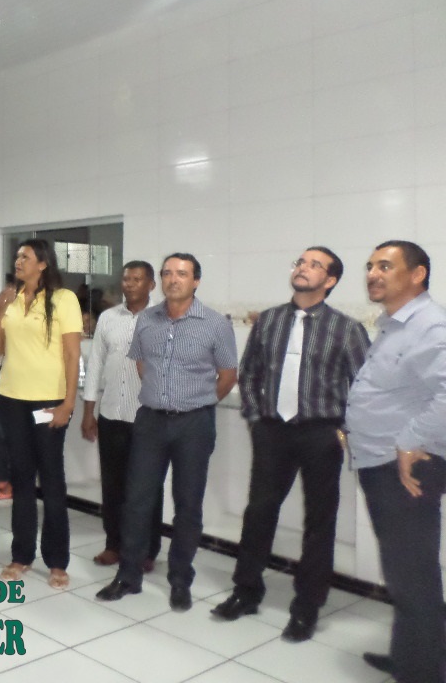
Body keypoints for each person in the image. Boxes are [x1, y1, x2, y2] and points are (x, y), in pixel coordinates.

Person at [211, 247, 369, 641]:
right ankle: (246, 591)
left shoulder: (347, 329)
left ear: (330, 280)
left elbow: (364, 387)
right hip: (273, 431)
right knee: (259, 512)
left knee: (319, 521)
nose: (303, 268)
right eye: (301, 262)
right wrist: (255, 419)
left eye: (315, 265)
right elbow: (250, 374)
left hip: (321, 433)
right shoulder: (270, 320)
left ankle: (307, 606)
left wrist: (344, 429)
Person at [97, 252, 237, 611]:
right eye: (168, 273)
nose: (173, 279)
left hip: (194, 424)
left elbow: (227, 376)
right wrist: (162, 395)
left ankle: (179, 580)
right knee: (137, 500)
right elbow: (142, 364)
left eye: (182, 273)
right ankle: (128, 576)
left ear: (196, 280)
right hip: (151, 421)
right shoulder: (147, 320)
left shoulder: (215, 324)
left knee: (187, 505)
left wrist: (198, 402)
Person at [346, 240, 446, 683]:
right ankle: (411, 656)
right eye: (370, 266)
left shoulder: (430, 325)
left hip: (405, 468)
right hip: (380, 461)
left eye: (385, 266)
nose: (373, 274)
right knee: (405, 570)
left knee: (412, 573)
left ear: (418, 274)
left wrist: (408, 441)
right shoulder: (395, 324)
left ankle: (422, 673)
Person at [0, 239, 82, 590]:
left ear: (43, 263)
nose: (18, 261)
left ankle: (57, 561)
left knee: (52, 478)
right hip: (12, 401)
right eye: (17, 256)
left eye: (25, 257)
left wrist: (68, 403)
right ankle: (21, 555)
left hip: (47, 403)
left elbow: (72, 355)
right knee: (22, 478)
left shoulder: (63, 299)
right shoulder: (10, 299)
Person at [80, 260, 163, 571]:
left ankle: (147, 550)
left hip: (148, 417)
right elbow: (95, 365)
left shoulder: (162, 318)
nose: (129, 284)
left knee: (147, 487)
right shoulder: (108, 318)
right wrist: (89, 411)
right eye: (126, 278)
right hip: (112, 412)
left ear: (151, 285)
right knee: (113, 486)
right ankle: (113, 544)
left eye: (137, 279)